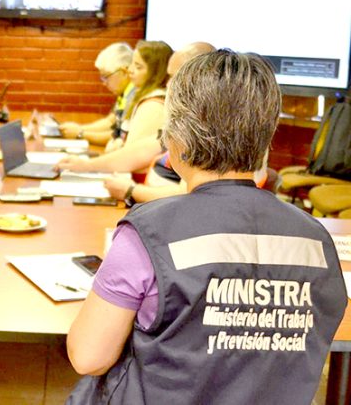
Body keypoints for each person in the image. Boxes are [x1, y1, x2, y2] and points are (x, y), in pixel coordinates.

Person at [66, 50, 346, 405]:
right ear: (266, 134)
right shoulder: (316, 239)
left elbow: (88, 357)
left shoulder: (147, 232)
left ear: (179, 140)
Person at [58, 42, 206, 186]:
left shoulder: (154, 104)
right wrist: (87, 165)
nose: (130, 71)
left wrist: (131, 191)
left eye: (138, 66)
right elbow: (139, 151)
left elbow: (182, 190)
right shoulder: (146, 100)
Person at [59, 42, 135, 145]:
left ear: (124, 72)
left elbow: (119, 137)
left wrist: (80, 134)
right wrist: (79, 128)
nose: (104, 83)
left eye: (106, 76)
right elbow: (110, 122)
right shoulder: (124, 93)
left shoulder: (134, 97)